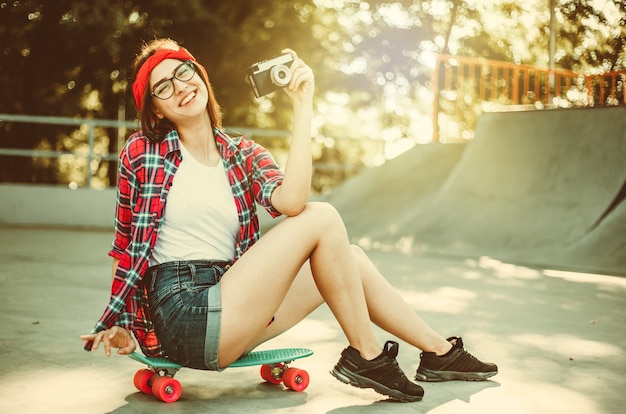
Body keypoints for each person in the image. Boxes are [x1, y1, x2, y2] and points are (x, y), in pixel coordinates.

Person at [80, 38, 497, 403]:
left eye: (184, 72)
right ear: (156, 108)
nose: (180, 88)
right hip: (186, 310)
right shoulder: (143, 152)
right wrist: (124, 323)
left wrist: (302, 103)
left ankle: (440, 354)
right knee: (324, 216)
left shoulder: (242, 153)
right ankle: (367, 357)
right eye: (163, 87)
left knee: (348, 257)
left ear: (200, 75)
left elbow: (292, 201)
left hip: (234, 300)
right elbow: (126, 245)